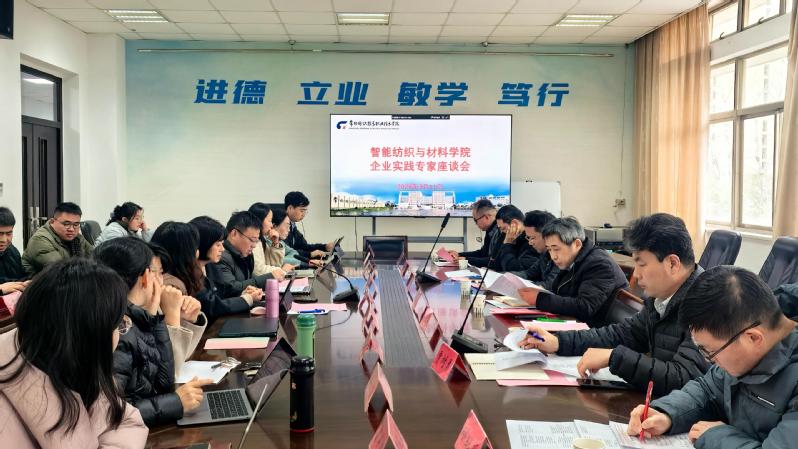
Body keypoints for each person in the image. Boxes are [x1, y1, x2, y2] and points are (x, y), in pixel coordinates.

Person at [520, 213, 710, 397]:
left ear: (672, 264)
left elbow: (684, 378)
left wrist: (614, 357)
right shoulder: (660, 298)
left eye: (642, 264)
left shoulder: (706, 304)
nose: (636, 274)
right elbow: (622, 334)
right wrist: (558, 342)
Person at [627, 266, 798, 449]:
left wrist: (715, 437)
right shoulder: (742, 342)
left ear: (753, 338)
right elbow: (707, 389)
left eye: (710, 351)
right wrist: (666, 414)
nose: (709, 360)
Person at [0, 258, 148, 448]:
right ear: (89, 334)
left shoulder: (75, 367)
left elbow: (128, 421)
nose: (120, 332)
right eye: (118, 324)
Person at [94, 238, 212, 427]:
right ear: (145, 277)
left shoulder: (137, 314)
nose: (162, 280)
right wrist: (175, 402)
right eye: (159, 273)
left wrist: (154, 317)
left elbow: (163, 383)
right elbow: (111, 412)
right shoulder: (118, 328)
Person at [517, 216, 628, 327]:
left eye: (556, 249)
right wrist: (539, 294)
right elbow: (559, 292)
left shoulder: (599, 264)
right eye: (549, 249)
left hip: (597, 329)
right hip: (576, 322)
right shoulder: (572, 260)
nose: (553, 256)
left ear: (577, 244)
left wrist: (540, 299)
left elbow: (585, 307)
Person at [147, 241, 206, 376]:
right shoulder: (125, 322)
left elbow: (183, 356)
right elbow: (170, 373)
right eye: (154, 273)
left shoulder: (154, 303)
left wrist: (189, 320)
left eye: (161, 273)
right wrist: (172, 316)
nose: (160, 281)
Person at [190, 216, 262, 321]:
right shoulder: (190, 272)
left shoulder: (210, 265)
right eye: (218, 244)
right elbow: (211, 306)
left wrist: (243, 294)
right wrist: (247, 299)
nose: (222, 249)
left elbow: (222, 295)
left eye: (222, 244)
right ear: (203, 243)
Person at [21, 202, 93, 276]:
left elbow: (95, 258)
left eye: (76, 224)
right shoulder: (40, 239)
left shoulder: (77, 237)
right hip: (40, 281)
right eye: (66, 224)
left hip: (71, 279)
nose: (71, 229)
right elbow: (61, 270)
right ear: (52, 221)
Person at [213, 211, 275, 297]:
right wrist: (270, 277)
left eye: (256, 241)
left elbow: (248, 280)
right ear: (234, 234)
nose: (254, 246)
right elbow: (231, 288)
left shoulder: (246, 255)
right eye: (252, 240)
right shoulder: (220, 256)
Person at [511, 210, 559, 290]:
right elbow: (528, 273)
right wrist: (507, 276)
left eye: (532, 238)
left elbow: (549, 285)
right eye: (528, 238)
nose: (530, 243)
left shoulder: (560, 255)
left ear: (547, 235)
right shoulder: (545, 254)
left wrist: (520, 285)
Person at [448, 199, 499, 268]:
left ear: (486, 217)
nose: (476, 224)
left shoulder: (500, 231)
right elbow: (482, 253)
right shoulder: (490, 230)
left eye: (475, 220)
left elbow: (494, 261)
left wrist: (466, 260)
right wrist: (459, 255)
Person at [284, 191, 335, 259]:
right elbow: (286, 252)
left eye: (305, 211)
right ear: (290, 208)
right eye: (302, 210)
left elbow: (304, 246)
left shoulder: (292, 225)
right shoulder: (281, 225)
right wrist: (310, 254)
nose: (303, 214)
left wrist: (325, 247)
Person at [247, 202, 288, 279]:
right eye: (269, 221)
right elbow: (258, 271)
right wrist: (282, 271)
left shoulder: (262, 240)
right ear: (259, 220)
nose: (271, 225)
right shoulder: (251, 242)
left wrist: (275, 243)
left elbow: (273, 265)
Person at [494, 205, 538, 272]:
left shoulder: (531, 241)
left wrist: (508, 244)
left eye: (503, 228)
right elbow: (497, 265)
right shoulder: (512, 237)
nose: (502, 232)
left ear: (514, 224)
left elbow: (512, 269)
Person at [0, 207, 28, 293]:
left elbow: (21, 276)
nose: (4, 240)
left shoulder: (13, 251)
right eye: (0, 234)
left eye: (9, 233)